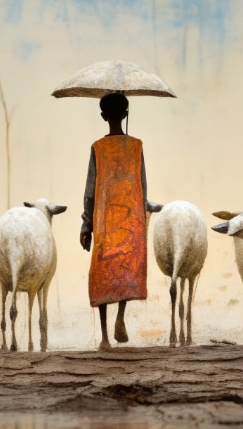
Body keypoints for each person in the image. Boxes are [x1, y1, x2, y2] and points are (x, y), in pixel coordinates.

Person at [80, 92, 148, 351]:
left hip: (105, 220)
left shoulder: (98, 147)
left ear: (103, 116)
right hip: (131, 220)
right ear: (126, 114)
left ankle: (106, 336)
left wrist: (87, 225)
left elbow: (90, 190)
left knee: (103, 272)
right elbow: (142, 185)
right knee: (125, 269)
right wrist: (142, 218)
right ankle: (121, 316)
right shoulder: (137, 146)